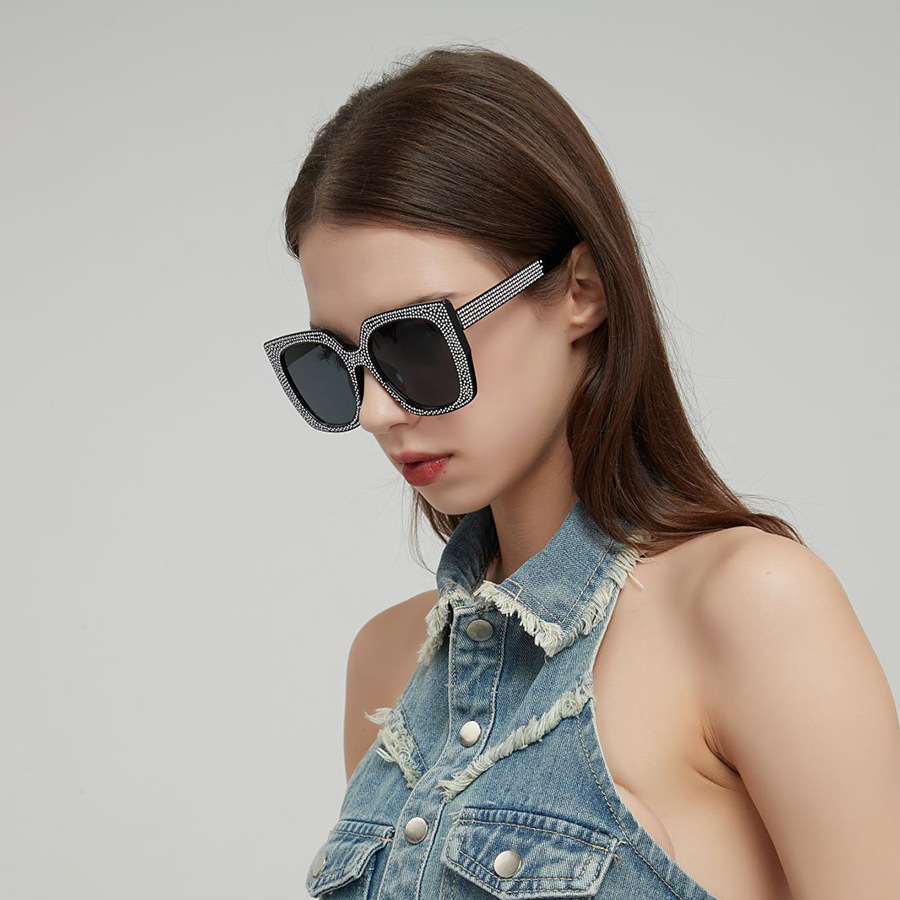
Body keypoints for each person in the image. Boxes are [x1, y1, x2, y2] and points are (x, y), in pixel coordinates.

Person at [262, 45, 899, 900]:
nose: (377, 410)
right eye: (334, 363)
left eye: (415, 341)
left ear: (581, 289)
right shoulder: (388, 664)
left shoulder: (748, 606)